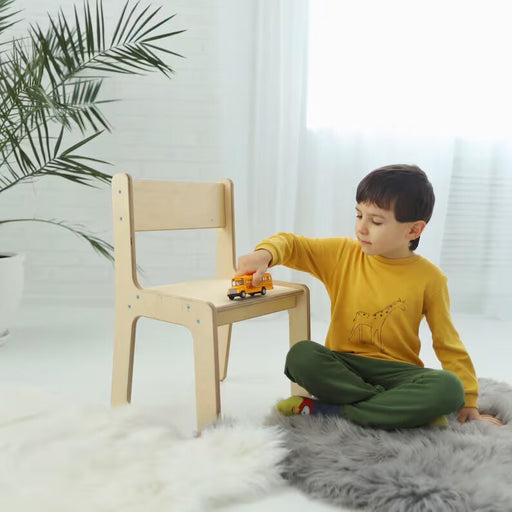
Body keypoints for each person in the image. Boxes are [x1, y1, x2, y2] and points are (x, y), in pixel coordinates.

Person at [236, 164, 504, 429]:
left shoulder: (430, 278)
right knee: (301, 356)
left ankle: (334, 411)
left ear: (413, 230)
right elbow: (293, 244)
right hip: (344, 366)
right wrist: (265, 254)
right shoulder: (342, 254)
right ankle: (396, 411)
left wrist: (469, 400)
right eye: (359, 215)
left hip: (397, 373)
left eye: (375, 221)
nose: (362, 228)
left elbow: (447, 342)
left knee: (449, 389)